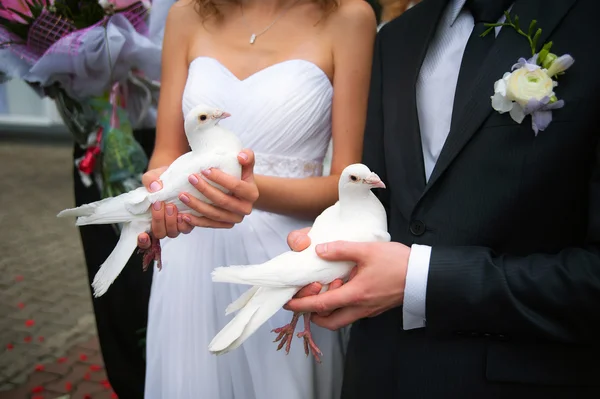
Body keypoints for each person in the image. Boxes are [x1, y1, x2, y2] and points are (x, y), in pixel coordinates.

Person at [285, 0, 600, 397]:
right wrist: (326, 262)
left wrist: (423, 279)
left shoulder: (589, 25)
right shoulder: (398, 38)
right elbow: (381, 206)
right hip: (378, 374)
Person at [137, 0, 376, 397]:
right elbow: (166, 152)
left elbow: (346, 185)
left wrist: (248, 190)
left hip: (286, 261)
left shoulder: (349, 17)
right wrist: (159, 194)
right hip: (189, 258)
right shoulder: (188, 13)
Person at [72, 2, 175, 397]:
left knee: (163, 274)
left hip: (166, 143)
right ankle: (132, 382)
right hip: (98, 143)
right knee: (114, 281)